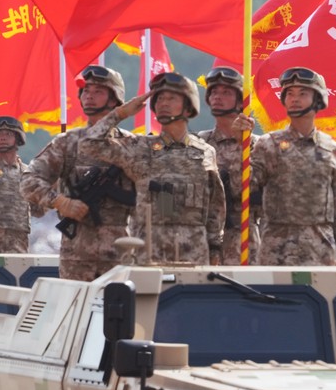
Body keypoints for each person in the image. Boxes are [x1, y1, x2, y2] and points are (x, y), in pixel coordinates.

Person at [80, 71, 226, 265]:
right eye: (159, 99)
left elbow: (215, 205)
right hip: (148, 252)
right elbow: (89, 143)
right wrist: (121, 113)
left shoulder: (205, 151)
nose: (163, 103)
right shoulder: (140, 147)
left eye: (171, 98)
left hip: (194, 253)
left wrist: (215, 247)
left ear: (189, 107)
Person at [21, 66, 135, 279]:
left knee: (119, 310)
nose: (89, 96)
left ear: (115, 99)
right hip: (77, 256)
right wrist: (61, 202)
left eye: (98, 91)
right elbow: (29, 181)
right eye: (86, 91)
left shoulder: (131, 144)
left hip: (119, 254)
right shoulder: (67, 143)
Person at [249, 67, 336, 266]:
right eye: (289, 94)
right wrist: (240, 144)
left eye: (302, 94)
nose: (294, 99)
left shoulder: (331, 149)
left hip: (320, 249)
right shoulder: (268, 144)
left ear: (318, 100)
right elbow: (244, 189)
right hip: (276, 248)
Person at [197, 66, 262, 265]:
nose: (218, 97)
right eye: (214, 92)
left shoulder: (259, 145)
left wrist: (238, 142)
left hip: (243, 236)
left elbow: (249, 190)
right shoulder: (199, 143)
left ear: (241, 100)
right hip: (203, 238)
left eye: (226, 93)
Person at [0, 117, 41, 253]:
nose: (2, 138)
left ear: (18, 139)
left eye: (8, 134)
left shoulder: (29, 174)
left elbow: (39, 210)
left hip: (18, 247)